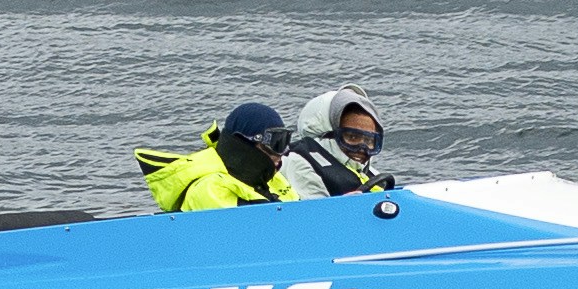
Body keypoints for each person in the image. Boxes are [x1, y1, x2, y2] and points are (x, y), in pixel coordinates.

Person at [138, 102, 297, 212]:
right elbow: (253, 231)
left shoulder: (271, 179)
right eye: (276, 144)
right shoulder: (209, 188)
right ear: (244, 146)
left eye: (284, 142)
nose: (281, 153)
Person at [279, 89, 394, 198]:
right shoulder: (300, 164)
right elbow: (314, 213)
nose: (362, 148)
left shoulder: (370, 173)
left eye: (369, 141)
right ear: (329, 132)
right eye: (353, 137)